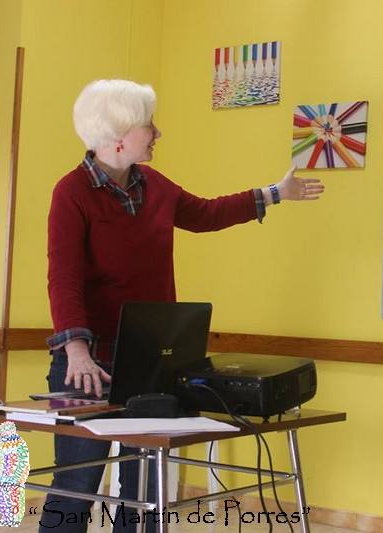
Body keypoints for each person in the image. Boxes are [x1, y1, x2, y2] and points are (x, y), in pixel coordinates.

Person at [40, 79, 324, 533]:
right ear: (119, 136)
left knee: (145, 488)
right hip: (90, 365)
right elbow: (64, 278)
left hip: (150, 362)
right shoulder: (71, 192)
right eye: (149, 125)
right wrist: (76, 350)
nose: (158, 133)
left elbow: (207, 213)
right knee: (77, 485)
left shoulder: (153, 184)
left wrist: (274, 193)